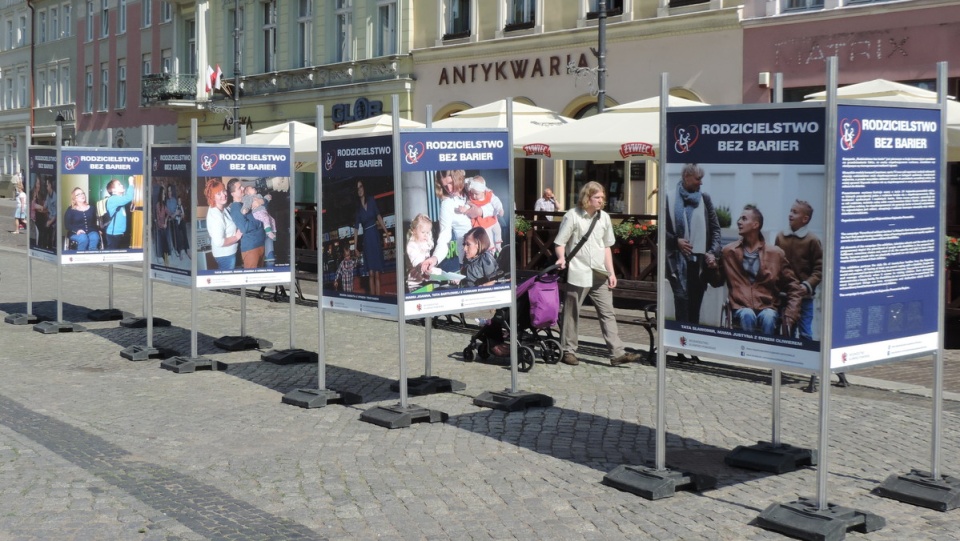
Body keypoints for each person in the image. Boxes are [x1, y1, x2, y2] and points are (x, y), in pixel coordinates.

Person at [554, 181, 642, 367]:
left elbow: (607, 247)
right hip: (578, 270)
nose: (601, 201)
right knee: (572, 312)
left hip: (599, 273)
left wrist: (611, 272)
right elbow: (560, 242)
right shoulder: (573, 216)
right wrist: (561, 258)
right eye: (597, 197)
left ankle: (617, 353)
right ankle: (568, 351)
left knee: (607, 312)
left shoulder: (604, 218)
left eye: (602, 197)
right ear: (587, 198)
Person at [707, 204, 805, 336]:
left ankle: (765, 354)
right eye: (739, 219)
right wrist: (712, 268)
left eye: (744, 219)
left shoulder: (775, 254)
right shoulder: (729, 251)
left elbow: (794, 287)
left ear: (755, 225)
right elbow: (716, 282)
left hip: (767, 306)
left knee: (769, 317)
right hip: (740, 306)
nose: (739, 222)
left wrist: (790, 316)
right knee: (747, 314)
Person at [664, 164, 722, 325]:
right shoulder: (668, 198)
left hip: (699, 264)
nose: (701, 183)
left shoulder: (705, 199)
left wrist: (712, 251)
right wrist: (676, 241)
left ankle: (693, 344)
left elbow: (716, 230)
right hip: (676, 263)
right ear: (686, 177)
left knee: (695, 305)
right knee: (681, 301)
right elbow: (661, 230)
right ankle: (680, 345)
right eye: (698, 179)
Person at [419, 170, 487, 275]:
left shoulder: (473, 186)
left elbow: (493, 205)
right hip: (468, 260)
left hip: (488, 251)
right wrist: (435, 258)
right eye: (445, 186)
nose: (449, 189)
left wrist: (481, 211)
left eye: (451, 183)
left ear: (458, 177)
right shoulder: (447, 204)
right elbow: (444, 236)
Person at [774, 200, 822, 341]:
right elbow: (775, 264)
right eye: (790, 211)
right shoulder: (781, 237)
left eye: (795, 212)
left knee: (805, 332)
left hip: (804, 297)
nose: (790, 214)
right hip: (784, 295)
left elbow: (819, 270)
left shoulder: (812, 240)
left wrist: (807, 285)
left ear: (805, 219)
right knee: (786, 330)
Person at [353, 179, 389, 296]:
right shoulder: (358, 209)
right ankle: (374, 299)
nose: (359, 190)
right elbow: (356, 228)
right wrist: (355, 247)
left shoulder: (372, 200)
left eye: (361, 187)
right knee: (371, 273)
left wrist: (386, 232)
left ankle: (379, 299)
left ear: (364, 187)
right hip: (367, 240)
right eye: (357, 188)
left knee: (377, 273)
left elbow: (378, 216)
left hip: (375, 236)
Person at [227, 178, 266, 269]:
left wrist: (261, 201)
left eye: (242, 186)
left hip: (260, 244)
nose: (243, 188)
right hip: (251, 248)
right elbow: (245, 228)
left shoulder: (246, 201)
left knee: (260, 278)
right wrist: (260, 222)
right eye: (239, 188)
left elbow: (263, 208)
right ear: (233, 193)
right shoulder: (235, 208)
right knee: (252, 279)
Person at [204, 178, 242, 270]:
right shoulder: (216, 216)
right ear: (212, 197)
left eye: (223, 191)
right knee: (227, 282)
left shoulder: (221, 208)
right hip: (225, 256)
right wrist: (236, 237)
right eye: (218, 194)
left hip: (228, 254)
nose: (223, 195)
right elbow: (219, 242)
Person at [464, 176, 504, 253]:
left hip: (492, 219)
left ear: (483, 191)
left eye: (476, 194)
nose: (474, 196)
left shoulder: (489, 195)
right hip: (482, 222)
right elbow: (467, 205)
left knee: (498, 230)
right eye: (472, 193)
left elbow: (496, 201)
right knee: (488, 236)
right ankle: (491, 251)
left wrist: (500, 209)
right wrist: (464, 209)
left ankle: (498, 246)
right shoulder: (471, 199)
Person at [241, 185, 277, 266]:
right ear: (248, 193)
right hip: (258, 213)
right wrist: (245, 209)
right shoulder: (248, 198)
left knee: (272, 220)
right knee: (266, 218)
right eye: (252, 188)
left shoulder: (259, 195)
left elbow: (265, 199)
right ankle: (268, 232)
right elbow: (246, 205)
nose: (254, 188)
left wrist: (267, 197)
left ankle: (273, 232)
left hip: (264, 211)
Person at [103, 178, 135, 250]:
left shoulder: (119, 200)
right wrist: (131, 183)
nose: (122, 185)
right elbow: (129, 197)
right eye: (119, 184)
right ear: (113, 190)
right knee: (113, 256)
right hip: (113, 234)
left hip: (118, 233)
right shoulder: (113, 199)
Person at [406, 213, 435, 292]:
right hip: (415, 282)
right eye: (423, 232)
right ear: (414, 230)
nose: (426, 235)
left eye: (427, 232)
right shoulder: (412, 245)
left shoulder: (426, 243)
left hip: (426, 279)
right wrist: (423, 267)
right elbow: (416, 262)